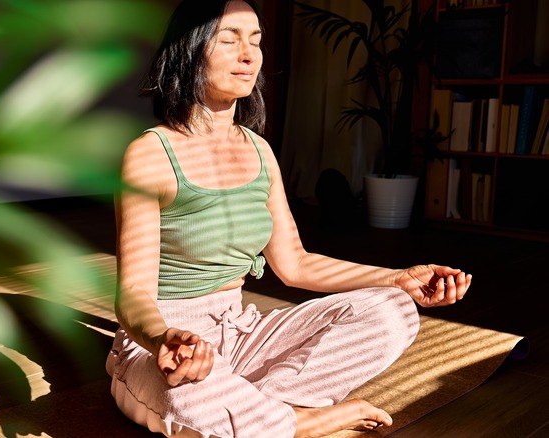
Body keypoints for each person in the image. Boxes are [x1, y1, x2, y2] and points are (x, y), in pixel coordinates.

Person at [105, 1, 472, 437]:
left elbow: (295, 264)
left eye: (256, 41)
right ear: (189, 50)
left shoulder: (259, 151)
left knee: (393, 310)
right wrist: (164, 339)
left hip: (241, 331)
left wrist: (397, 278)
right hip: (169, 342)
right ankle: (298, 418)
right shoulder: (150, 155)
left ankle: (264, 413)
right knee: (186, 397)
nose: (249, 54)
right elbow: (132, 293)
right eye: (229, 40)